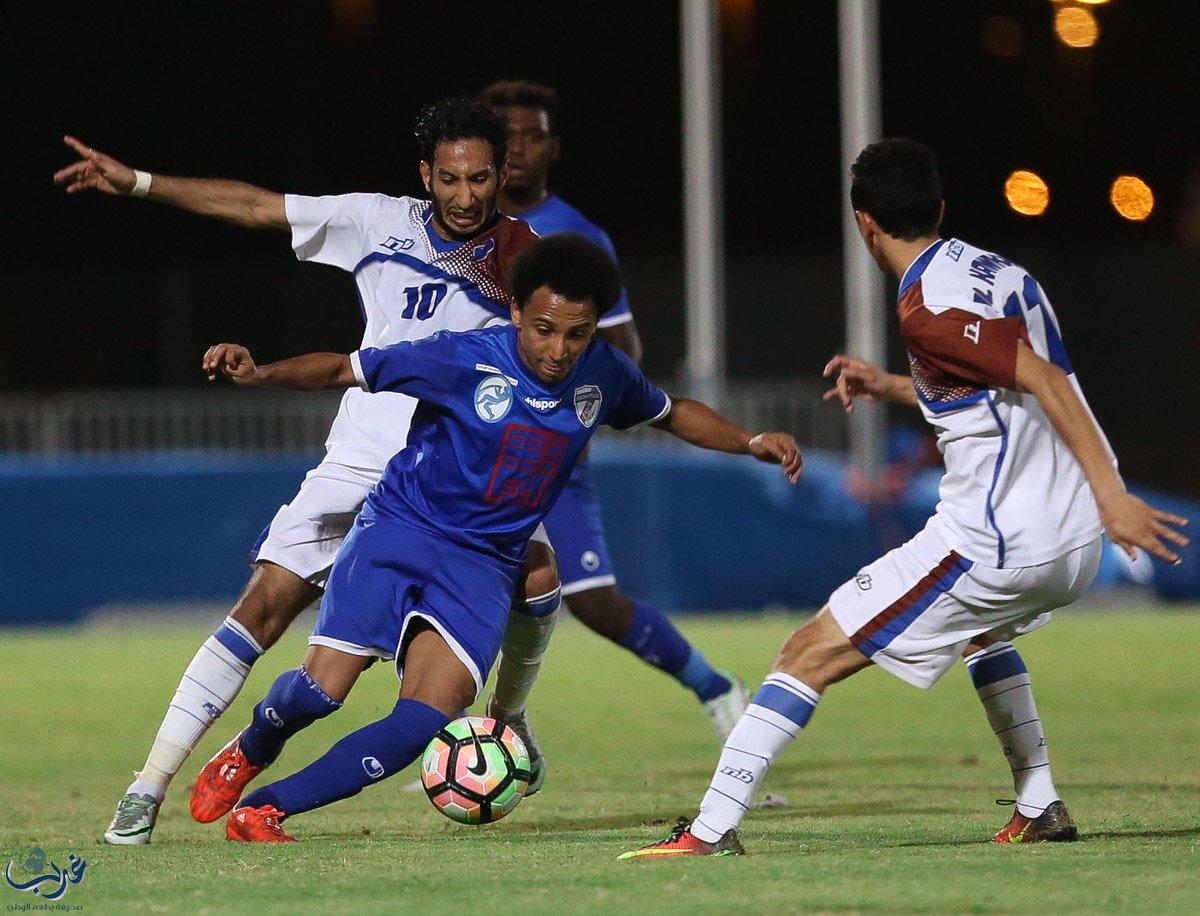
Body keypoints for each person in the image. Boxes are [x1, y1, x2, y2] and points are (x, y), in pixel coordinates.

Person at [621, 138, 1189, 859]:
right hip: (1070, 541)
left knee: (805, 653)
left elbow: (1044, 381)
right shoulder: (995, 271)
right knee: (982, 635)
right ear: (941, 208)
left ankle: (708, 831)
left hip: (997, 545)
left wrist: (1114, 494)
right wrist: (892, 385)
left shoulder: (927, 308)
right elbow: (998, 384)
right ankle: (1040, 803)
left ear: (865, 224)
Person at [54, 96, 563, 845]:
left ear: (500, 176)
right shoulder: (376, 221)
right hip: (362, 458)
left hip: (460, 476)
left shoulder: (525, 256)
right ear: (426, 173)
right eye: (449, 179)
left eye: (479, 179)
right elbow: (258, 208)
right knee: (265, 604)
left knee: (541, 575)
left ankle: (510, 719)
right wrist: (136, 182)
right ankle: (148, 786)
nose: (463, 196)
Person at [191, 233, 802, 842]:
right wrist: (259, 372)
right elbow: (341, 368)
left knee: (420, 723)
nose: (559, 349)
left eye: (577, 333)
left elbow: (671, 412)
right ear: (514, 310)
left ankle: (264, 810)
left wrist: (748, 441)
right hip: (399, 535)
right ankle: (254, 743)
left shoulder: (604, 375)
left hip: (484, 567)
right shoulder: (462, 357)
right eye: (543, 328)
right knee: (319, 694)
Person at [480, 80, 748, 736]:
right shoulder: (456, 224)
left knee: (594, 602)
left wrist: (567, 389)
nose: (518, 146)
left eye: (533, 134)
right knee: (466, 586)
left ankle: (716, 688)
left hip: (545, 452)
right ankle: (482, 733)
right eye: (505, 133)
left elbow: (625, 345)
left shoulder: (577, 233)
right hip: (468, 446)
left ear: (554, 147)